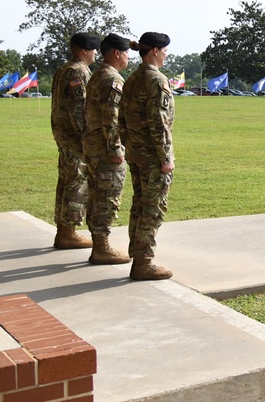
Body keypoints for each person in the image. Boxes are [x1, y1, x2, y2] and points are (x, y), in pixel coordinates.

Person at [120, 32, 176, 280]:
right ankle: (143, 262)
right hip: (153, 156)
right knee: (152, 208)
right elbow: (159, 122)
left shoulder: (132, 78)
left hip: (135, 152)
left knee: (140, 204)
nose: (166, 55)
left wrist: (128, 145)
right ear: (154, 51)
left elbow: (120, 119)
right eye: (164, 50)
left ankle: (137, 255)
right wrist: (166, 157)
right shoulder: (156, 79)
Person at [83, 34, 135, 264]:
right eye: (126, 53)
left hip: (93, 146)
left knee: (95, 195)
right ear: (116, 54)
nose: (128, 57)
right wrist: (116, 150)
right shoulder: (113, 80)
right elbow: (111, 118)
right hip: (106, 149)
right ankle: (101, 247)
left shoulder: (97, 75)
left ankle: (98, 243)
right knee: (107, 196)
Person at [50, 32, 100, 249]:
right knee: (77, 182)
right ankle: (68, 232)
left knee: (66, 181)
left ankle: (64, 230)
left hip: (63, 134)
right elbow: (80, 110)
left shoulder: (64, 69)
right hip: (75, 138)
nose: (96, 53)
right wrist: (87, 138)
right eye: (94, 49)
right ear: (84, 50)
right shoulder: (77, 71)